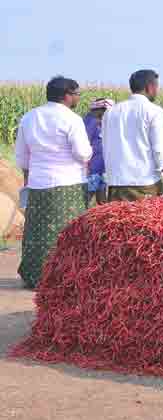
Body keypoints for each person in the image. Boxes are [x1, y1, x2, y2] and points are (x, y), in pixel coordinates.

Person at [13, 76, 91, 288]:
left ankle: (35, 275)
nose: (77, 98)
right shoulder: (72, 119)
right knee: (66, 232)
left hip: (38, 183)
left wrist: (30, 175)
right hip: (68, 183)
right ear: (66, 96)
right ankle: (62, 278)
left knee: (37, 231)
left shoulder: (29, 117)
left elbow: (21, 156)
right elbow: (83, 153)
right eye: (76, 94)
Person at [102, 69, 163, 202]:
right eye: (156, 86)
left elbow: (106, 146)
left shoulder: (110, 112)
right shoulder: (154, 111)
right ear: (150, 87)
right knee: (143, 222)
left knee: (119, 221)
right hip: (144, 183)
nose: (157, 91)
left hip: (116, 183)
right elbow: (160, 152)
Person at [83, 97, 113, 205]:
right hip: (92, 169)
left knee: (102, 200)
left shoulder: (102, 123)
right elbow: (84, 145)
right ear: (98, 110)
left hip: (101, 168)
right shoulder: (90, 122)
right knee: (87, 199)